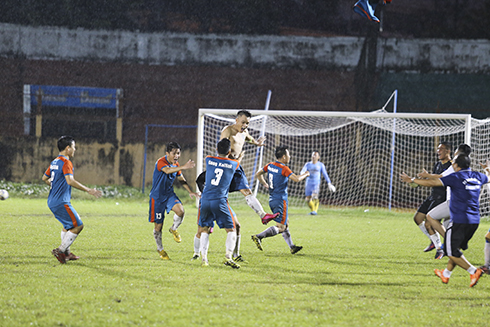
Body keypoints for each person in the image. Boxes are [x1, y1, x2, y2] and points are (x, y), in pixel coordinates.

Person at [400, 154, 490, 287]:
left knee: (450, 251)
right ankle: (446, 274)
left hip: (459, 220)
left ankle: (473, 271)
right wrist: (487, 169)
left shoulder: (456, 177)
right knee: (455, 249)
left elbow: (432, 182)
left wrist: (412, 179)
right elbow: (488, 178)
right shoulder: (479, 176)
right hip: (474, 221)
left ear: (456, 166)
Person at [42, 135, 103, 264]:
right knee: (78, 226)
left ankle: (67, 254)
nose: (75, 149)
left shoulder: (54, 162)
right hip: (61, 202)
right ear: (68, 148)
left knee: (67, 226)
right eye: (74, 147)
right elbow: (70, 181)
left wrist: (55, 185)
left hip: (52, 201)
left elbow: (45, 178)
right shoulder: (66, 162)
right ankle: (61, 250)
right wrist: (88, 190)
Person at [251, 146, 310, 254]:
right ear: (283, 157)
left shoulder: (270, 165)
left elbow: (258, 174)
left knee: (285, 223)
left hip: (272, 199)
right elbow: (296, 179)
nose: (289, 156)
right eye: (288, 154)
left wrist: (265, 184)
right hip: (280, 200)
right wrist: (306, 174)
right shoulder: (284, 168)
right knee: (281, 227)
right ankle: (259, 237)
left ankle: (292, 247)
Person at [148, 141, 199, 260]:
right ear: (167, 153)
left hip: (169, 195)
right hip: (157, 198)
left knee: (181, 211)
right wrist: (183, 167)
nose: (176, 156)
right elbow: (167, 170)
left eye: (178, 153)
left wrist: (190, 191)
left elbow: (180, 178)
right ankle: (160, 249)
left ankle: (174, 229)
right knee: (158, 226)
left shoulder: (176, 164)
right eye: (174, 153)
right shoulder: (161, 162)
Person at [197, 138, 241, 268]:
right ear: (229, 151)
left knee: (204, 229)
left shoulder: (209, 159)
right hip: (219, 200)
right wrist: (238, 156)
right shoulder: (234, 164)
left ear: (217, 149)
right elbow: (235, 164)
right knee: (231, 229)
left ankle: (204, 259)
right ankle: (228, 256)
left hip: (204, 199)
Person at [418, 144, 472, 241]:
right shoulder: (468, 167)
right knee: (449, 229)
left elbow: (441, 178)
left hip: (454, 202)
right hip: (464, 204)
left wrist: (419, 179)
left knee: (430, 217)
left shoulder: (455, 165)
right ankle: (451, 248)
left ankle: (447, 243)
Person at [409, 142, 452, 260]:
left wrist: (428, 177)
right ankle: (434, 240)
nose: (438, 151)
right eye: (438, 149)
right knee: (417, 218)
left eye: (441, 149)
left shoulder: (452, 166)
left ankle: (442, 247)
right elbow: (433, 179)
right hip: (433, 195)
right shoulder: (438, 164)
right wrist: (424, 178)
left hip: (442, 198)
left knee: (429, 223)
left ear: (448, 151)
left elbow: (443, 179)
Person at [300, 151, 336, 215]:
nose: (314, 156)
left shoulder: (320, 165)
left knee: (315, 196)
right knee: (307, 199)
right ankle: (313, 210)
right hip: (308, 183)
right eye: (313, 155)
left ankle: (315, 211)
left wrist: (329, 183)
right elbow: (303, 170)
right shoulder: (307, 164)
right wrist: (302, 174)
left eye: (315, 155)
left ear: (318, 157)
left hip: (316, 183)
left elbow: (325, 174)